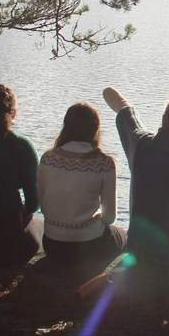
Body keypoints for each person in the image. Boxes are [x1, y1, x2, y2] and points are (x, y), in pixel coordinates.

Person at [103, 85, 169, 297]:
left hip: (137, 251)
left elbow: (124, 112)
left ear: (164, 117)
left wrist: (115, 97)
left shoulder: (140, 145)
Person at [38, 102, 127, 274]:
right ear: (95, 129)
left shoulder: (48, 158)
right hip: (88, 248)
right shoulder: (104, 163)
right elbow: (109, 218)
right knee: (123, 235)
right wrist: (97, 216)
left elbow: (43, 206)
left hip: (52, 245)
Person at [0, 84, 42, 267]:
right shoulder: (22, 146)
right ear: (14, 113)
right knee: (39, 227)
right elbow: (34, 202)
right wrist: (25, 215)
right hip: (9, 236)